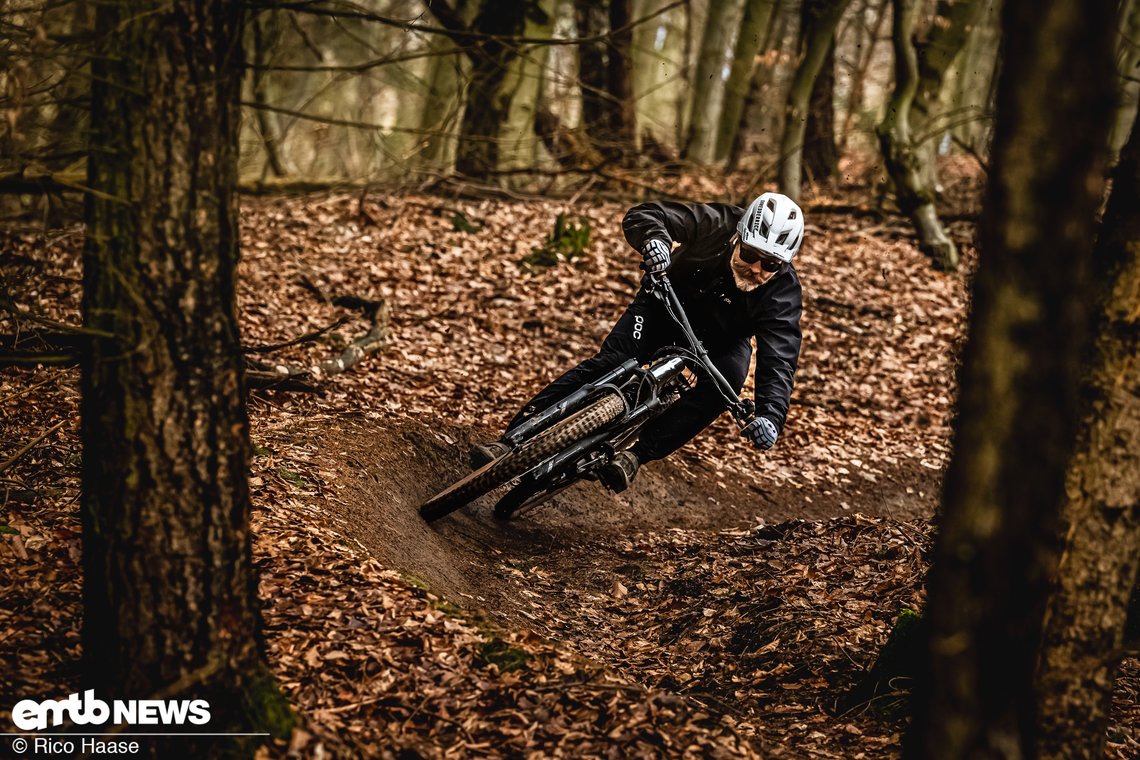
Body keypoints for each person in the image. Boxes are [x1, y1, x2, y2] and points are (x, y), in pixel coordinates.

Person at [472, 192, 804, 492]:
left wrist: (771, 416)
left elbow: (780, 358)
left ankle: (636, 456)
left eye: (771, 263)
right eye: (749, 253)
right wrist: (655, 240)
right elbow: (647, 214)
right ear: (738, 236)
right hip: (664, 307)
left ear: (783, 264)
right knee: (609, 364)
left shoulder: (782, 293)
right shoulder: (717, 223)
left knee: (727, 383)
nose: (756, 268)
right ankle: (509, 443)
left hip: (721, 341)